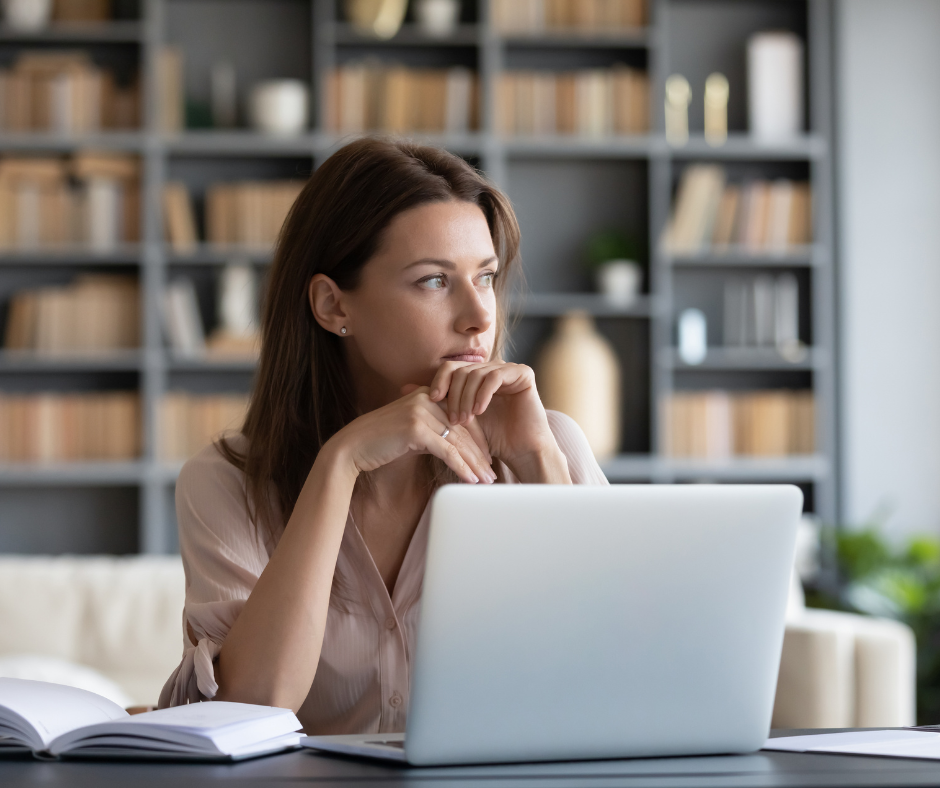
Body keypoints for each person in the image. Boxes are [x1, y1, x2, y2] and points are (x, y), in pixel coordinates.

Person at [158, 137, 609, 733]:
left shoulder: (547, 444)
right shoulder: (226, 483)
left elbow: (613, 673)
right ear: (332, 305)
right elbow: (252, 706)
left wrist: (536, 461)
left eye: (487, 277)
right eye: (433, 281)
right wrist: (338, 464)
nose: (478, 315)